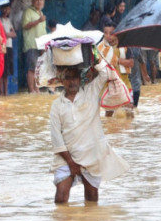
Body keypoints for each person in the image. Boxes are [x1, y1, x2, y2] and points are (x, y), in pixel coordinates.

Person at [50, 64, 129, 204]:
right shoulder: (57, 105)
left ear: (80, 79)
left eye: (74, 77)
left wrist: (95, 56)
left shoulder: (91, 91)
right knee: (60, 198)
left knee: (92, 198)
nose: (71, 81)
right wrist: (71, 163)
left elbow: (105, 73)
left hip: (91, 154)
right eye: (67, 78)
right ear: (62, 81)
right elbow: (56, 138)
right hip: (66, 157)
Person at [97, 22, 133, 117]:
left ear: (116, 33)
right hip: (108, 87)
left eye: (111, 33)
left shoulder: (124, 47)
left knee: (129, 111)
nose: (108, 36)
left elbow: (131, 63)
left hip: (125, 84)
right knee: (109, 113)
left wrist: (116, 60)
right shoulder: (100, 49)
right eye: (105, 33)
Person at [22, 0, 47, 94]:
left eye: (41, 0)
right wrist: (38, 21)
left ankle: (37, 88)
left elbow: (43, 30)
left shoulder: (42, 13)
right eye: (37, 0)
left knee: (39, 68)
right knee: (32, 68)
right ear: (32, 2)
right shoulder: (28, 12)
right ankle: (31, 90)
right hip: (31, 44)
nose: (39, 2)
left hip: (41, 45)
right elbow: (25, 25)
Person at [0, 3, 17, 96]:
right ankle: (1, 91)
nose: (6, 11)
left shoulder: (9, 21)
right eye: (5, 9)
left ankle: (5, 92)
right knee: (1, 70)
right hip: (2, 47)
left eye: (8, 9)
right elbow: (3, 34)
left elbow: (14, 34)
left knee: (7, 71)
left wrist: (7, 34)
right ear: (1, 9)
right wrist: (8, 34)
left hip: (9, 47)